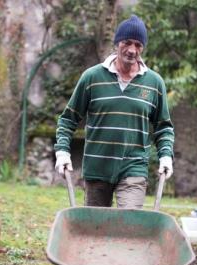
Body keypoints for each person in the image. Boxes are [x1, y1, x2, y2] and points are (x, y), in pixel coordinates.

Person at [54, 15, 174, 209]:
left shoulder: (154, 83)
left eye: (138, 45)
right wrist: (62, 151)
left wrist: (166, 155)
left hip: (134, 168)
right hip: (97, 167)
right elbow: (68, 120)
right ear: (117, 43)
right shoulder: (92, 77)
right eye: (127, 43)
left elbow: (163, 127)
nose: (132, 50)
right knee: (96, 228)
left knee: (129, 224)